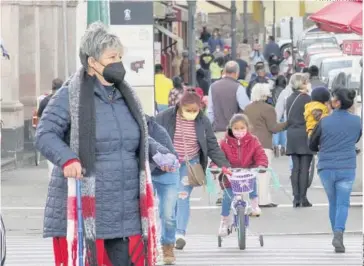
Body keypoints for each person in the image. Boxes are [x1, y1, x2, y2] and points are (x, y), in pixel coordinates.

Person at [35, 21, 176, 266]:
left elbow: (136, 136)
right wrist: (67, 158)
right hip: (88, 203)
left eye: (120, 56)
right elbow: (45, 134)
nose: (118, 62)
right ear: (92, 62)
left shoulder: (125, 96)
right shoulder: (69, 96)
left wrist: (158, 152)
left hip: (125, 207)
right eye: (112, 57)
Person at [156, 89, 230, 250]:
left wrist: (224, 165)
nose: (192, 113)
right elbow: (151, 134)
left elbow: (211, 144)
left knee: (182, 196)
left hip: (189, 164)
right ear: (180, 107)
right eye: (188, 110)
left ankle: (179, 234)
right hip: (168, 164)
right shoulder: (166, 116)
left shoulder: (203, 120)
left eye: (195, 111)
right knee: (169, 200)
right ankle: (168, 233)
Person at [309, 88, 361, 253]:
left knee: (333, 202)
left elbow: (312, 143)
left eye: (333, 98)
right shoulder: (357, 121)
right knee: (343, 203)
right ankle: (339, 233)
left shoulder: (324, 122)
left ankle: (336, 234)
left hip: (327, 167)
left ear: (337, 102)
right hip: (347, 166)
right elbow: (356, 138)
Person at [217, 114, 268, 237]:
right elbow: (218, 157)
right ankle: (224, 221)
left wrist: (261, 165)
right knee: (227, 197)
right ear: (230, 129)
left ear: (247, 128)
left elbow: (260, 154)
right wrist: (215, 166)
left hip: (247, 172)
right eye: (236, 129)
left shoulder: (253, 141)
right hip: (231, 174)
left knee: (252, 181)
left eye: (242, 128)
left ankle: (254, 205)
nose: (239, 131)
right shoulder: (225, 143)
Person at [244, 83, 287, 207]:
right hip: (264, 145)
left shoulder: (247, 108)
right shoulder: (268, 109)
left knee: (252, 173)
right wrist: (287, 123)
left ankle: (253, 199)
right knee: (264, 173)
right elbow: (273, 128)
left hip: (249, 144)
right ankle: (263, 200)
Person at [146, 115, 180, 265]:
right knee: (140, 212)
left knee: (167, 213)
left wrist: (165, 162)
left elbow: (169, 154)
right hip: (145, 173)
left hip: (167, 172)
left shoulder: (158, 131)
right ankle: (144, 246)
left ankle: (167, 245)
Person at [285, 73, 313, 208]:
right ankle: (303, 198)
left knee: (295, 168)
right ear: (302, 83)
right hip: (304, 133)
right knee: (304, 168)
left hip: (292, 134)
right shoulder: (308, 98)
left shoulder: (289, 98)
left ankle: (295, 198)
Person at [207, 61, 250, 139]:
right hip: (234, 132)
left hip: (217, 131)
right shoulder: (238, 87)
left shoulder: (212, 86)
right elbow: (246, 108)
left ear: (224, 71)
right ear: (237, 73)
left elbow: (210, 111)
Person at [37, 78, 63, 179]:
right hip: (62, 133)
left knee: (51, 160)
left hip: (49, 133)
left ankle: (52, 178)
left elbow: (40, 118)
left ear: (52, 87)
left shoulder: (45, 101)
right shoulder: (66, 98)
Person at [272, 75, 288, 157]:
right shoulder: (285, 91)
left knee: (276, 130)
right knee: (283, 130)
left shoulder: (273, 90)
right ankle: (283, 147)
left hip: (274, 112)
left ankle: (275, 147)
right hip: (283, 112)